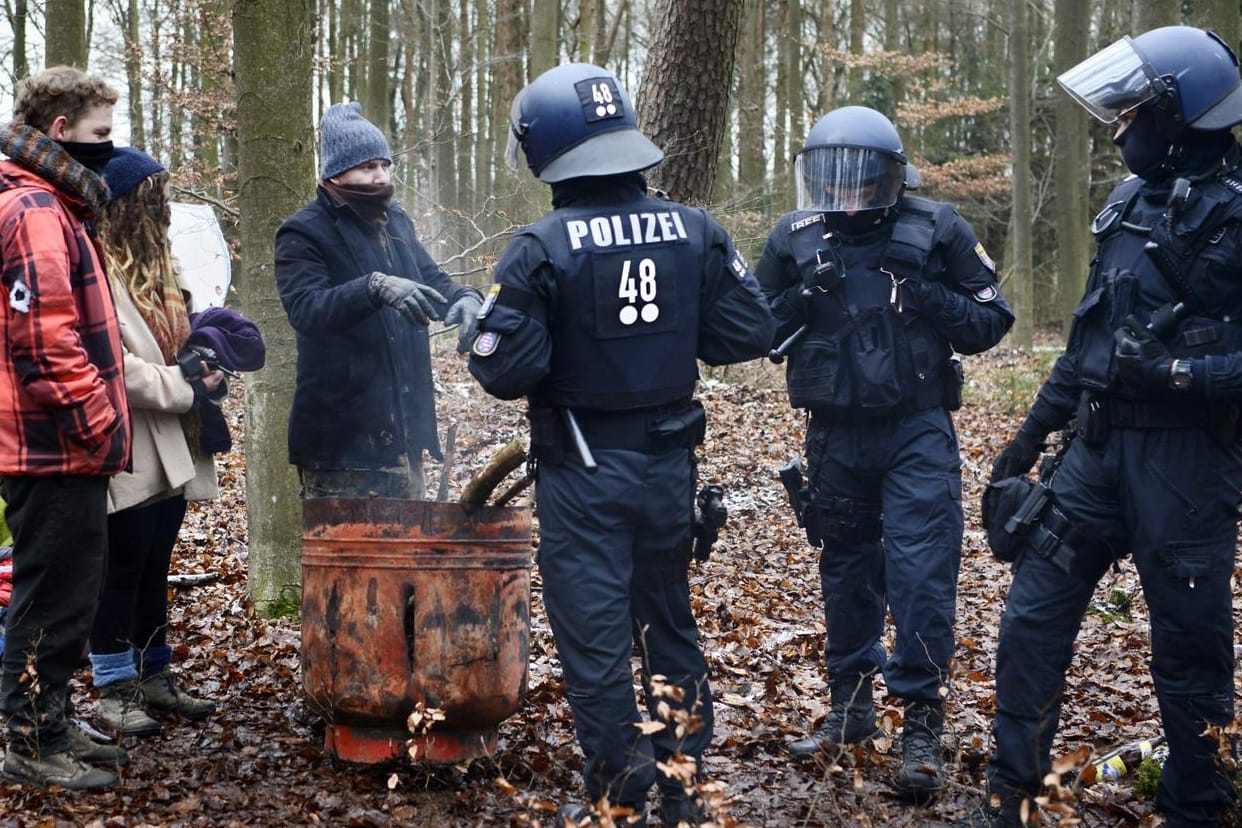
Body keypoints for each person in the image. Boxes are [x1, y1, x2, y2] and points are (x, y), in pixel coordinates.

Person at [933, 26, 1242, 828]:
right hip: (1095, 453)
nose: (1118, 125)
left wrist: (1177, 374)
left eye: (1133, 109)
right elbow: (1085, 343)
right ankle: (1013, 797)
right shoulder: (1124, 204)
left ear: (1181, 112)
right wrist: (1029, 438)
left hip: (1187, 466)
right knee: (1031, 617)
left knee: (1191, 651)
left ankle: (1200, 807)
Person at [469, 62, 775, 826]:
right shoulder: (695, 228)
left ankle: (619, 796)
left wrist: (482, 325)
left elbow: (505, 371)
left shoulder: (538, 248)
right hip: (669, 471)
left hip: (583, 477)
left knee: (597, 645)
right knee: (668, 628)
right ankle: (685, 788)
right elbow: (750, 330)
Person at [755, 105, 1013, 803]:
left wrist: (924, 296)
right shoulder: (795, 237)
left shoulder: (937, 228)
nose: (846, 193)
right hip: (835, 433)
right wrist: (804, 297)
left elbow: (992, 318)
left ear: (890, 178)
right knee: (846, 569)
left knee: (922, 570)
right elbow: (748, 325)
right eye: (830, 180)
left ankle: (921, 725)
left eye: (860, 179)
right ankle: (851, 708)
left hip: (916, 428)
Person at [0, 66, 131, 789]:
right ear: (59, 132)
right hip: (51, 446)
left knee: (71, 594)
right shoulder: (34, 212)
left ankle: (52, 717)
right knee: (48, 597)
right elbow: (45, 340)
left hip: (66, 446)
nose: (108, 150)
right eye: (100, 136)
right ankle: (27, 740)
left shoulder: (58, 202)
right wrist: (99, 425)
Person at [275, 102, 482, 500]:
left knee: (406, 562)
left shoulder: (397, 221)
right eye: (368, 167)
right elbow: (306, 309)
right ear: (336, 172)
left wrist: (466, 299)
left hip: (405, 436)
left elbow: (432, 281)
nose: (381, 177)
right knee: (350, 563)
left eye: (385, 166)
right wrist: (372, 287)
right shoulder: (303, 231)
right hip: (341, 447)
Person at [87, 147, 224, 739]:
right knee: (120, 564)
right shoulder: (95, 269)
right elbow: (112, 363)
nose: (162, 209)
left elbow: (194, 330)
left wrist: (212, 362)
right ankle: (113, 684)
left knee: (154, 563)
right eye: (151, 198)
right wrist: (183, 386)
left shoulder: (165, 265)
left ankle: (153, 671)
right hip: (128, 437)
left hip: (176, 436)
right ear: (123, 208)